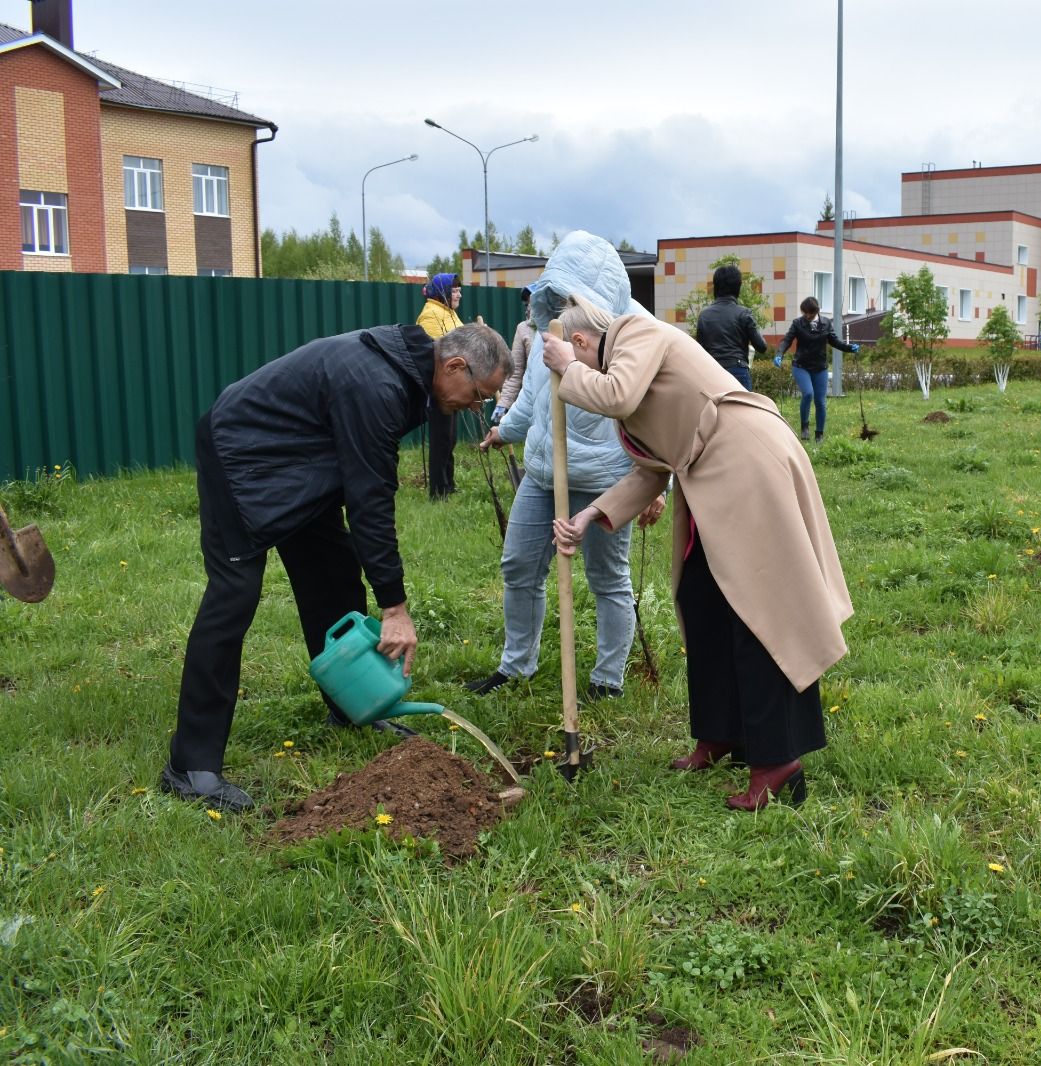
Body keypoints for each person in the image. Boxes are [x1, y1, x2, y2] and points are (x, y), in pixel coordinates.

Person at [162, 323, 511, 812]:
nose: (476, 407)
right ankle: (190, 765)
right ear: (454, 366)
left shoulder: (408, 370)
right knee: (233, 595)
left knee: (335, 574)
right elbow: (369, 503)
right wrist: (394, 606)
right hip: (239, 455)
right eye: (478, 395)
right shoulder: (379, 385)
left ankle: (352, 707)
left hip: (301, 463)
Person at [544, 294, 853, 812]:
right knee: (702, 598)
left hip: (746, 462)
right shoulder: (628, 367)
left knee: (756, 607)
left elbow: (615, 395)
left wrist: (565, 372)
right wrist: (589, 517)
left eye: (570, 358)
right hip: (709, 476)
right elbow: (652, 469)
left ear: (579, 342)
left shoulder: (635, 333)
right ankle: (722, 734)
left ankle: (778, 763)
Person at [472, 232, 665, 700]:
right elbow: (537, 401)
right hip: (543, 476)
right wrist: (505, 431)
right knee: (519, 566)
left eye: (572, 293)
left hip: (606, 481)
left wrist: (659, 486)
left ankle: (606, 681)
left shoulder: (635, 336)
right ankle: (516, 667)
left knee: (608, 579)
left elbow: (661, 416)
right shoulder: (550, 327)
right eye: (558, 292)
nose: (563, 302)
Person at [773, 297, 858, 441]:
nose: (807, 316)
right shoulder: (797, 324)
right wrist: (779, 354)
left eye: (810, 314)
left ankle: (819, 434)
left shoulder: (826, 323)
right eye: (804, 313)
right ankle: (804, 427)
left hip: (820, 368)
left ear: (817, 311)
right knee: (807, 394)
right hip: (801, 366)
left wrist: (849, 348)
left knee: (820, 401)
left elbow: (834, 341)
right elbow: (787, 340)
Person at [416, 273, 465, 498]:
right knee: (441, 439)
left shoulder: (449, 314)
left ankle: (449, 485)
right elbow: (440, 350)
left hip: (453, 387)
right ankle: (438, 491)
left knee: (450, 438)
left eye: (458, 290)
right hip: (439, 388)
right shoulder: (430, 315)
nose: (459, 294)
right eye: (454, 290)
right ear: (443, 292)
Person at [693, 263, 767, 390]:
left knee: (715, 410)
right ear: (738, 287)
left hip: (712, 372)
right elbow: (761, 347)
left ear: (715, 287)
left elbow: (700, 350)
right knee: (744, 409)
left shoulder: (704, 316)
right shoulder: (744, 313)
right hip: (738, 371)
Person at [492, 287, 533, 424]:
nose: (529, 308)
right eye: (527, 304)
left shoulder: (562, 325)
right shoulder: (523, 329)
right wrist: (503, 403)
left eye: (532, 302)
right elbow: (515, 372)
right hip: (534, 397)